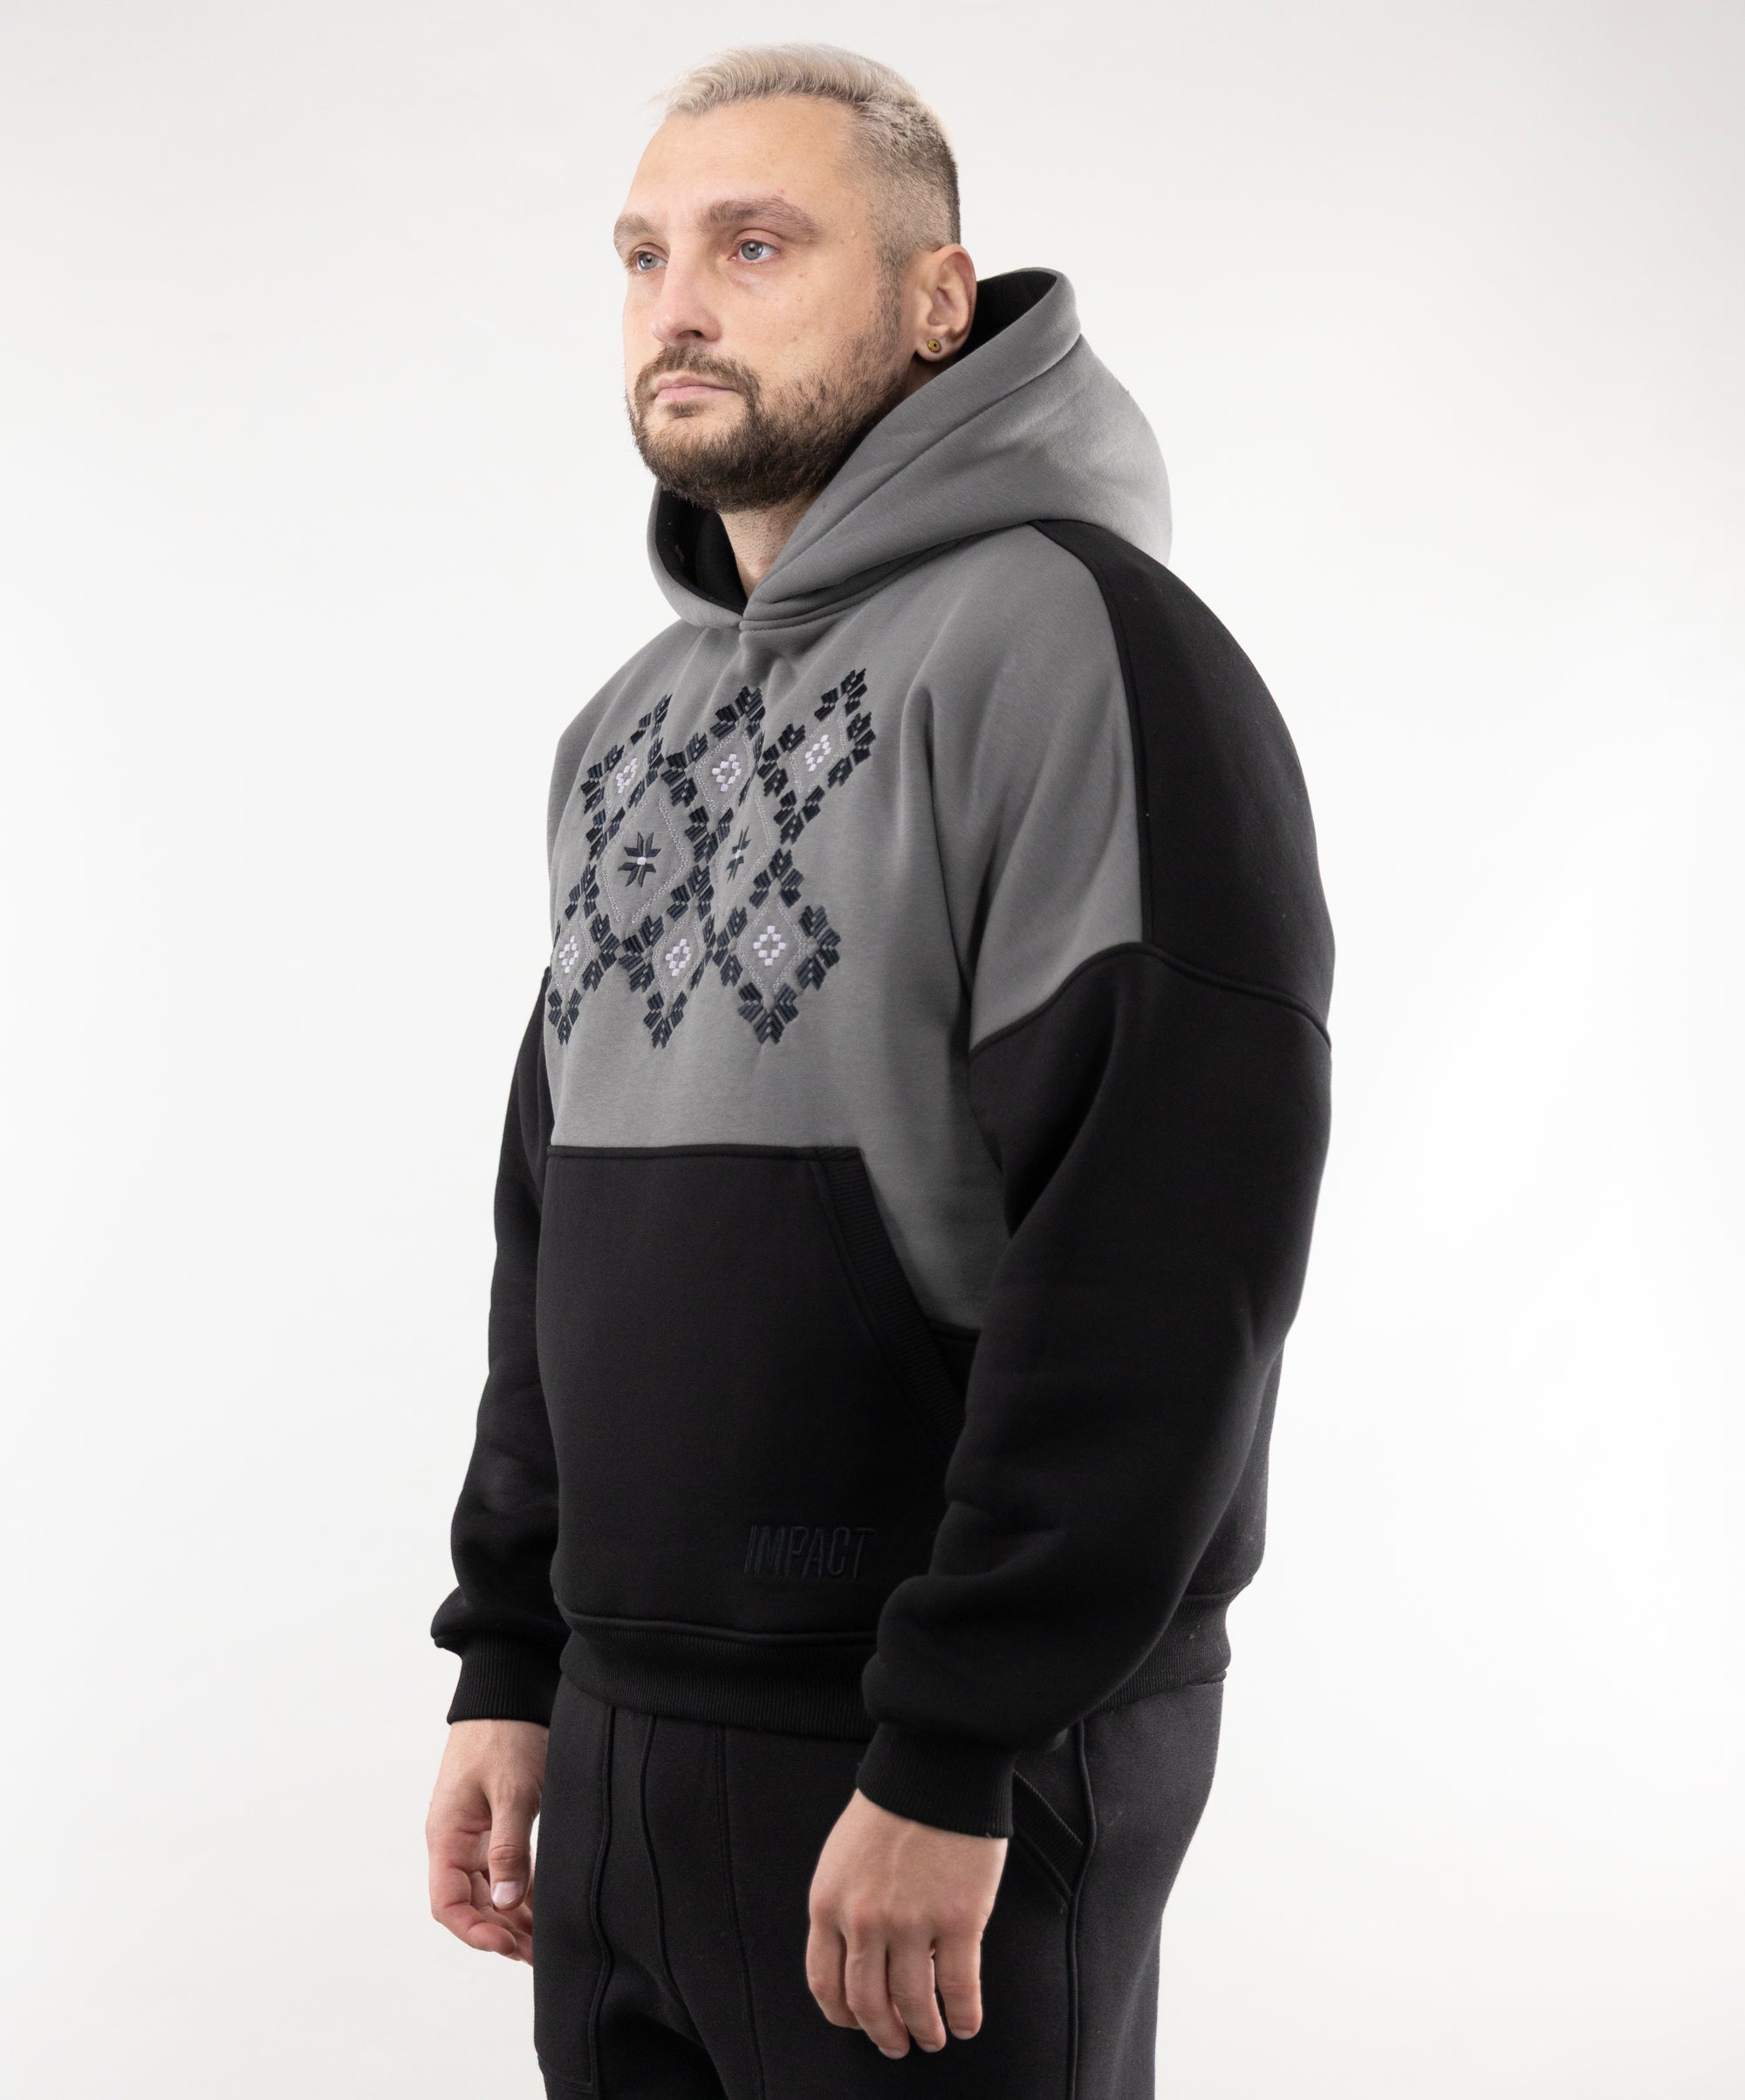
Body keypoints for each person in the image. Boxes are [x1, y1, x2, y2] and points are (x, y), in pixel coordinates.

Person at [425, 42, 1333, 2100]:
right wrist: (513, 1656)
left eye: (756, 246)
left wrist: (958, 1735)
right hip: (627, 1729)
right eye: (646, 254)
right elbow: (555, 1217)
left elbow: (1165, 1237)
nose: (680, 303)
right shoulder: (624, 725)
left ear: (937, 300)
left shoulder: (1084, 648)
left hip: (924, 1760)